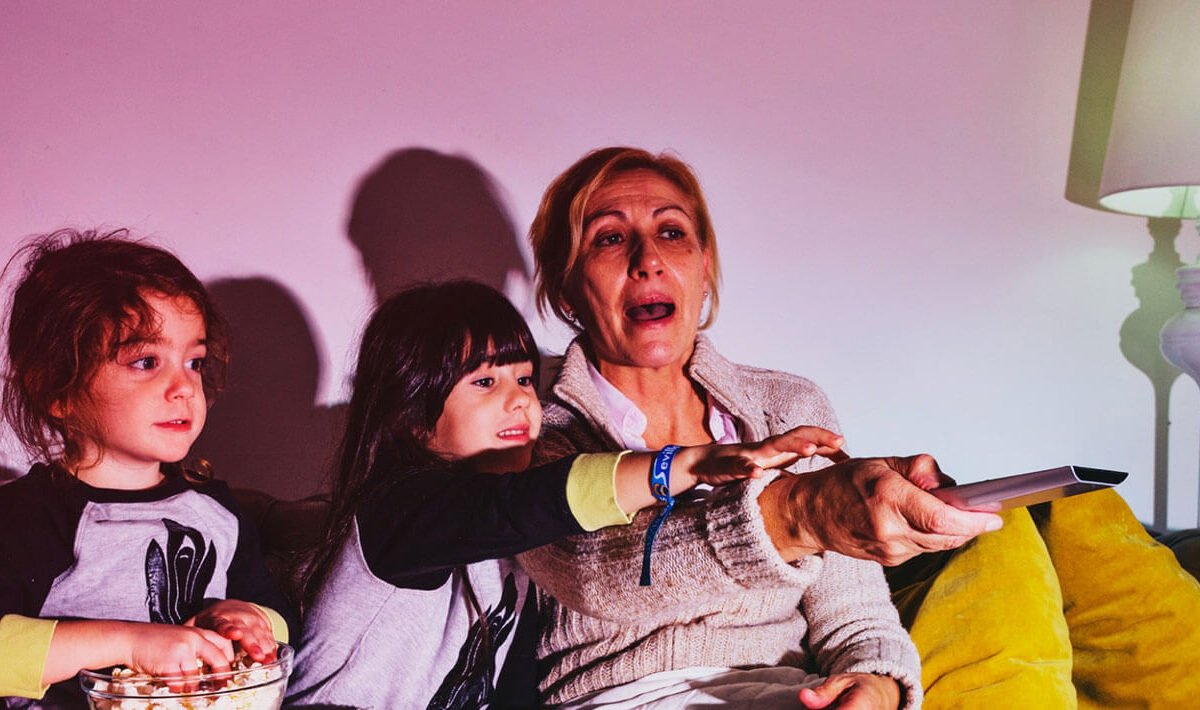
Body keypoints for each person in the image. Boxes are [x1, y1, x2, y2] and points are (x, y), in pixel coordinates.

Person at [516, 147, 1014, 709]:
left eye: (672, 233)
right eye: (609, 238)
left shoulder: (789, 405)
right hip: (619, 696)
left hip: (786, 693)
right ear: (566, 288)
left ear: (704, 268)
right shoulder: (529, 421)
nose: (648, 259)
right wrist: (800, 512)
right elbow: (592, 573)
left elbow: (856, 617)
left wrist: (875, 686)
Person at [285, 280, 844, 708]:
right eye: (485, 382)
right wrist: (688, 462)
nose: (520, 401)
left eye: (525, 379)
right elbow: (528, 503)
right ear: (411, 418)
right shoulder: (398, 512)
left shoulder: (515, 553)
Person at [0, 230, 291, 708]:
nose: (184, 387)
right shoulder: (27, 515)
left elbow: (281, 620)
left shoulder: (215, 511)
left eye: (194, 362)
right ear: (57, 390)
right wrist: (130, 643)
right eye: (146, 361)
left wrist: (247, 617)